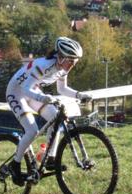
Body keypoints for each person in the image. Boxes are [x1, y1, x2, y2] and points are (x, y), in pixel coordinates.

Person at [6, 36, 92, 185]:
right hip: (16, 92)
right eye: (70, 61)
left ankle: (50, 158)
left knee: (55, 117)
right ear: (61, 57)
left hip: (32, 91)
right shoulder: (43, 65)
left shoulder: (63, 68)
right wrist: (43, 98)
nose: (72, 64)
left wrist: (79, 95)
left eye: (75, 61)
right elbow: (25, 89)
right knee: (32, 131)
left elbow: (62, 89)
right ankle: (15, 164)